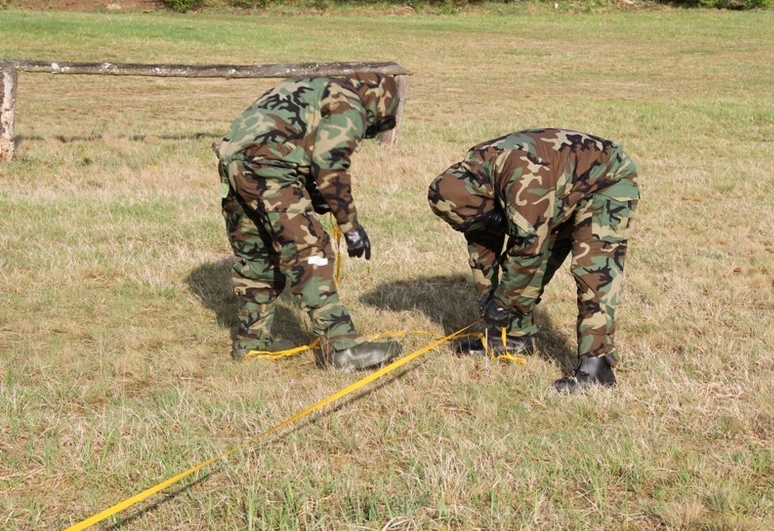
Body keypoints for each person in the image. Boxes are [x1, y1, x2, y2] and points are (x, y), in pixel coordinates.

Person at [427, 128, 640, 392]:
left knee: (593, 269)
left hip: (606, 180)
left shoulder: (523, 180)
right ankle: (512, 340)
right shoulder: (469, 184)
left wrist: (503, 303)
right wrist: (487, 299)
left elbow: (529, 251)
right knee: (522, 269)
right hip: (558, 189)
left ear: (485, 198)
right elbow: (482, 246)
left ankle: (597, 368)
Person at [215, 73, 402, 371]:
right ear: (378, 103)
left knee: (258, 256)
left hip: (234, 164)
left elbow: (285, 134)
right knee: (309, 252)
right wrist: (350, 227)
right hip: (270, 170)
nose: (366, 133)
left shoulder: (312, 86)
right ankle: (341, 346)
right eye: (373, 127)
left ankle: (251, 342)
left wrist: (310, 191)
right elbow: (330, 163)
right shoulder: (350, 102)